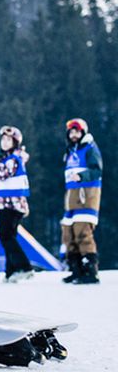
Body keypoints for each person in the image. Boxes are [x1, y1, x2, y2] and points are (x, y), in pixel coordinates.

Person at [0, 125, 34, 283]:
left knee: (6, 235)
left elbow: (3, 174)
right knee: (8, 235)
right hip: (6, 202)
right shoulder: (7, 158)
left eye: (8, 140)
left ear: (15, 142)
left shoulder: (14, 158)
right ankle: (11, 270)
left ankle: (24, 267)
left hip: (13, 204)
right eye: (3, 139)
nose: (4, 142)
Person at [62, 118, 103, 284]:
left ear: (83, 133)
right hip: (72, 196)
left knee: (82, 231)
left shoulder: (89, 148)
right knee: (68, 232)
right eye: (71, 132)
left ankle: (90, 270)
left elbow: (96, 170)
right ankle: (76, 269)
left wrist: (82, 176)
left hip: (86, 195)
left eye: (77, 132)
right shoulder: (70, 151)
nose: (74, 135)